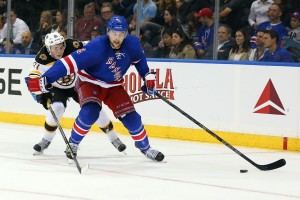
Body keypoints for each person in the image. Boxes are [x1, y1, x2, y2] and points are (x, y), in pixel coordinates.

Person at [27, 16, 164, 162]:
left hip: (113, 85)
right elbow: (66, 64)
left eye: (121, 34)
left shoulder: (132, 44)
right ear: (108, 32)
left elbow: (140, 61)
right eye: (114, 34)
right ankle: (73, 144)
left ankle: (146, 148)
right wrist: (47, 79)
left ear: (126, 34)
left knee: (132, 119)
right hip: (89, 82)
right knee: (90, 112)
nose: (117, 38)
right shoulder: (96, 47)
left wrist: (147, 77)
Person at [27, 32, 126, 155]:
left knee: (95, 108)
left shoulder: (72, 45)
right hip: (57, 88)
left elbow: (91, 46)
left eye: (61, 47)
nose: (59, 51)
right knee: (57, 107)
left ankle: (114, 138)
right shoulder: (41, 58)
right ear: (48, 48)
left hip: (77, 84)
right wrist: (40, 95)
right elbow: (32, 80)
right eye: (55, 48)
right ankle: (46, 139)